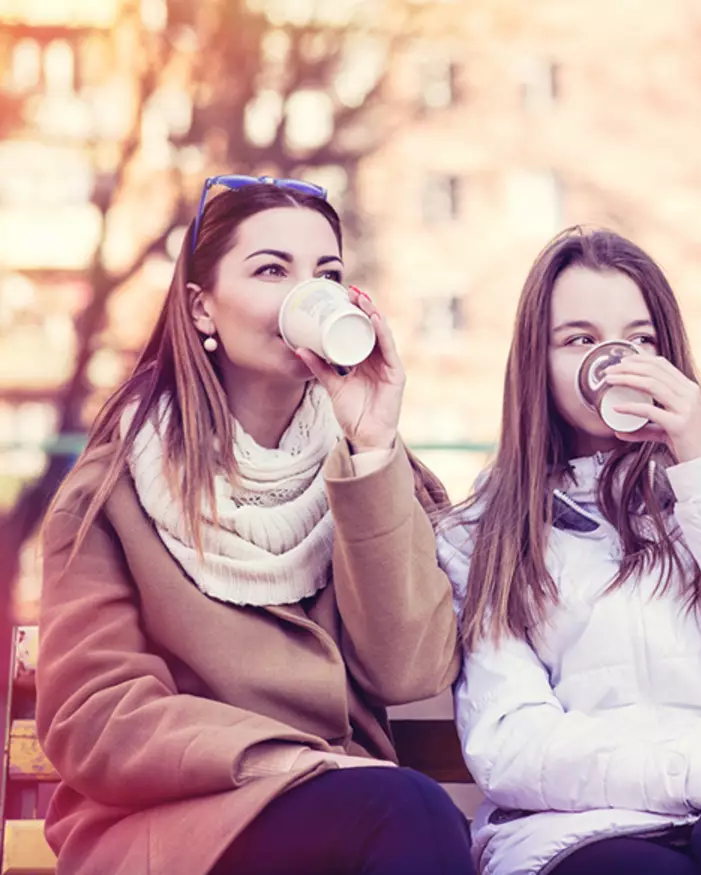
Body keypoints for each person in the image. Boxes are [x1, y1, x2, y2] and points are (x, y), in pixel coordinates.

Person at [36, 175, 474, 875]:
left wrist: (370, 448)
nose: (307, 293)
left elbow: (411, 671)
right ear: (202, 309)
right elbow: (96, 717)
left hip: (356, 809)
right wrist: (285, 760)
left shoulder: (381, 474)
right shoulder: (109, 495)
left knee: (411, 812)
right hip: (177, 826)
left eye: (327, 273)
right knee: (407, 811)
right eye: (272, 269)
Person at [438, 227, 701, 875]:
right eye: (580, 339)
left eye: (641, 340)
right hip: (574, 832)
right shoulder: (482, 533)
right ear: (536, 364)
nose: (617, 360)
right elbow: (511, 745)